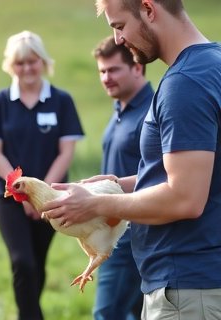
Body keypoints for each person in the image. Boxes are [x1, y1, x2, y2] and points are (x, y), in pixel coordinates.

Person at [42, 1, 221, 319]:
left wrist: (96, 206)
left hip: (188, 290)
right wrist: (114, 186)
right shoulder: (213, 64)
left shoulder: (184, 84)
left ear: (149, 9)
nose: (119, 40)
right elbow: (198, 174)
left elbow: (185, 198)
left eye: (119, 26)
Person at [0, 30, 84, 320]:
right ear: (10, 65)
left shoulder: (62, 101)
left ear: (43, 62)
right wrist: (22, 192)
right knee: (22, 261)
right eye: (20, 63)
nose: (26, 68)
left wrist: (41, 194)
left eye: (32, 61)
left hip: (51, 197)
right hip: (8, 196)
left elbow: (65, 152)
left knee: (37, 262)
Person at [91, 35, 154, 320]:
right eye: (102, 71)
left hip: (132, 235)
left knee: (107, 313)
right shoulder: (120, 109)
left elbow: (159, 175)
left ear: (137, 68)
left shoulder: (151, 112)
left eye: (113, 69)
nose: (106, 78)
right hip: (114, 233)